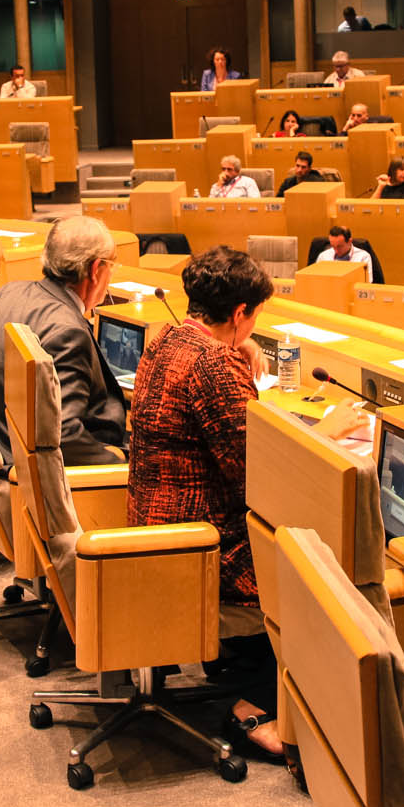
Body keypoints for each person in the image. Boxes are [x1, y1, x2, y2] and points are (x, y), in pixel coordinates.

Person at [124, 245, 283, 761]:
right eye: (254, 316)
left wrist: (240, 358)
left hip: (158, 525)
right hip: (202, 549)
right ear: (240, 314)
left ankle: (236, 665)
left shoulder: (167, 338)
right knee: (317, 568)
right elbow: (256, 472)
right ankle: (255, 701)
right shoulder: (215, 365)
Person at [0, 215, 127, 464]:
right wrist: (116, 466)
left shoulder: (9, 293)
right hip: (46, 476)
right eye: (111, 266)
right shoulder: (68, 332)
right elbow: (63, 436)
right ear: (95, 270)